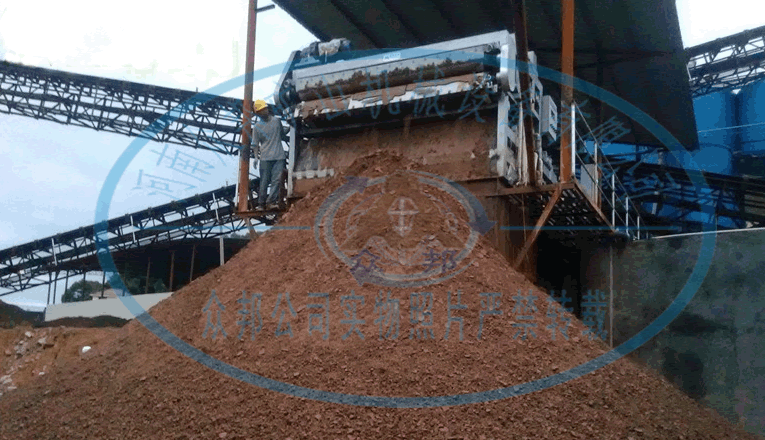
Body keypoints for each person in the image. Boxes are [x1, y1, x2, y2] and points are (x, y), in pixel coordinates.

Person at [250, 99, 287, 211]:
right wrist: (256, 157)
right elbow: (255, 144)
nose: (263, 111)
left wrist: (290, 128)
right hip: (265, 158)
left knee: (276, 180)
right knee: (264, 182)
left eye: (264, 109)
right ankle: (261, 204)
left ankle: (271, 202)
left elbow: (282, 134)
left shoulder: (276, 121)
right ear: (257, 113)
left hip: (278, 157)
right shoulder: (257, 127)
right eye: (261, 110)